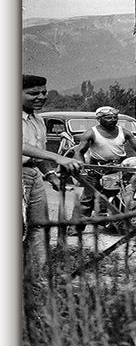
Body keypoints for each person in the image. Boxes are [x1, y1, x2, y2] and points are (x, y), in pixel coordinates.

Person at [21, 74, 83, 310]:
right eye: (33, 93)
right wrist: (58, 158)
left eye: (43, 92)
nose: (40, 97)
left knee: (39, 228)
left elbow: (37, 153)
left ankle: (34, 282)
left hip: (33, 175)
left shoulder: (38, 120)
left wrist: (50, 175)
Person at [72, 106, 136, 231]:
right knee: (87, 199)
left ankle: (124, 222)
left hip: (120, 168)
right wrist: (82, 168)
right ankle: (75, 228)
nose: (113, 120)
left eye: (115, 117)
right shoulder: (91, 133)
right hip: (97, 169)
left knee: (130, 192)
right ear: (99, 119)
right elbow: (79, 151)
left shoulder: (124, 132)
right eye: (108, 118)